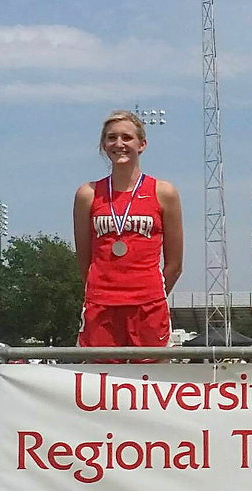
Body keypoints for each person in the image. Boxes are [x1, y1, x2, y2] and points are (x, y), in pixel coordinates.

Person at [73, 110, 183, 359]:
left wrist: (150, 292)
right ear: (103, 145)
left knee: (149, 380)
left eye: (127, 137)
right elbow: (84, 260)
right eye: (111, 138)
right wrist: (103, 289)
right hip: (101, 305)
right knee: (101, 382)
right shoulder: (88, 194)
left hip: (149, 304)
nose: (119, 144)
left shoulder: (163, 192)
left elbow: (175, 263)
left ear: (142, 144)